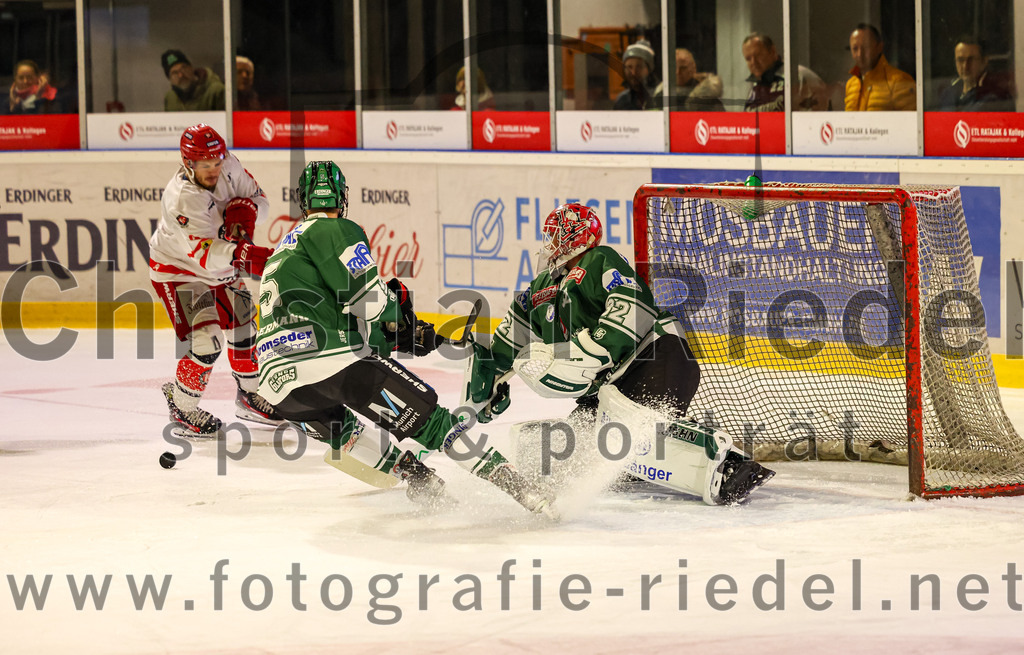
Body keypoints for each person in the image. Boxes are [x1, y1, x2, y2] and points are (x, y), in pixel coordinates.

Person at [255, 160, 556, 517]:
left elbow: (331, 317)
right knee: (436, 424)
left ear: (304, 200)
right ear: (341, 197)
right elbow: (369, 301)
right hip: (332, 362)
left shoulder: (281, 253)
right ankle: (522, 490)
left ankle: (421, 480)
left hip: (280, 388)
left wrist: (396, 336)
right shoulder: (336, 230)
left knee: (346, 433)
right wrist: (403, 321)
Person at [465, 203, 774, 505]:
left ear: (576, 237)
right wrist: (487, 377)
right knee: (558, 453)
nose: (549, 245)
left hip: (656, 359)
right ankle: (639, 464)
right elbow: (508, 341)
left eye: (555, 236)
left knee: (638, 429)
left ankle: (730, 466)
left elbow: (632, 312)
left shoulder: (600, 259)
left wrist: (587, 351)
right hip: (609, 388)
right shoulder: (540, 287)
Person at [150, 124, 282, 438]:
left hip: (221, 261)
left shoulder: (230, 165)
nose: (213, 169)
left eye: (216, 161)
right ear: (188, 164)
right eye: (205, 165)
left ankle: (250, 396)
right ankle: (183, 409)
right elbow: (204, 256)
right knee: (206, 341)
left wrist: (247, 212)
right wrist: (247, 255)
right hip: (180, 271)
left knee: (245, 325)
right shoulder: (182, 198)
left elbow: (260, 200)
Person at [844, 24, 916, 111]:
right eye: (855, 49)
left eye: (866, 47)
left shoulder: (899, 81)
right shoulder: (851, 84)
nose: (860, 54)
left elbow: (911, 122)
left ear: (879, 47)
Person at [937, 35, 1014, 111]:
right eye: (960, 60)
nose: (965, 66)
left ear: (984, 62)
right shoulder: (948, 94)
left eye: (971, 60)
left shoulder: (994, 97)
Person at [655, 48, 725, 111]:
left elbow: (720, 122)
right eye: (674, 67)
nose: (677, 72)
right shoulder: (661, 96)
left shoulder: (707, 96)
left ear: (693, 68)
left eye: (683, 68)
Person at [161, 49, 226, 111]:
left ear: (191, 68)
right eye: (174, 73)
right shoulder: (170, 98)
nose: (181, 75)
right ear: (169, 78)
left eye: (183, 68)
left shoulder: (215, 91)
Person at [742, 33, 785, 112]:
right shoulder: (753, 88)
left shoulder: (795, 74)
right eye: (748, 59)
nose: (753, 62)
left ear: (772, 51)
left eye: (758, 55)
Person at [613, 40, 658, 110]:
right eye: (629, 67)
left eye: (639, 67)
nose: (633, 73)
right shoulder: (622, 100)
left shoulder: (660, 97)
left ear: (650, 69)